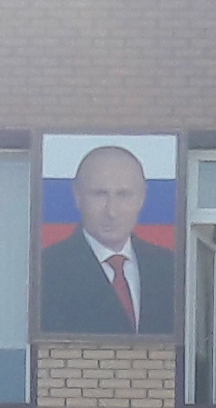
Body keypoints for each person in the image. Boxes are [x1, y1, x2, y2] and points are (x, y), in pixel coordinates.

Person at [39, 142, 178, 336]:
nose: (112, 211)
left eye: (124, 195)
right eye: (99, 194)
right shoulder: (46, 269)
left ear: (142, 197)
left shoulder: (170, 267)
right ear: (77, 196)